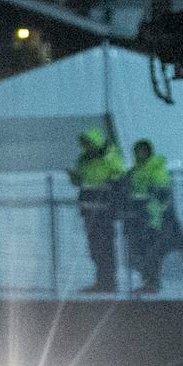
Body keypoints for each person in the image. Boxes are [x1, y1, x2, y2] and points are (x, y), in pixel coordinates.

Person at [124, 139, 183, 295]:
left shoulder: (157, 170)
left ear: (148, 152)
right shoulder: (134, 171)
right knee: (138, 250)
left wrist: (151, 197)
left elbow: (162, 193)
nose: (137, 155)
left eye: (140, 151)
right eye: (136, 151)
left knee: (151, 251)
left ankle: (153, 283)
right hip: (136, 216)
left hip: (152, 217)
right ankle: (147, 281)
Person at [71, 123, 126, 294]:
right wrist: (75, 178)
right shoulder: (83, 159)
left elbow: (118, 178)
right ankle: (101, 280)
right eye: (84, 144)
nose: (86, 147)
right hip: (89, 209)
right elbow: (82, 181)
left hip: (105, 210)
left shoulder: (110, 157)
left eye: (89, 143)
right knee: (94, 247)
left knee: (106, 245)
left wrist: (106, 188)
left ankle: (109, 281)